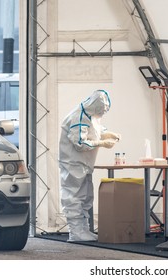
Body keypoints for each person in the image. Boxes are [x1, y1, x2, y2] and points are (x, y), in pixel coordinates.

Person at [58, 90, 120, 242]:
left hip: (84, 164)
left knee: (85, 197)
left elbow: (96, 130)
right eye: (100, 111)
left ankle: (83, 229)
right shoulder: (77, 117)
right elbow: (80, 142)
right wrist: (102, 143)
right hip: (73, 164)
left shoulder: (89, 115)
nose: (101, 115)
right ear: (95, 107)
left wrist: (108, 134)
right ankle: (76, 232)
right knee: (74, 197)